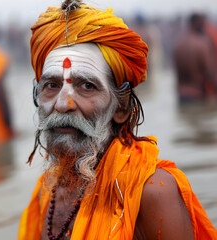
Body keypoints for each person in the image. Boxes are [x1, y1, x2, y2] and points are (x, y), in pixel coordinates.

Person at [18, 1, 217, 240]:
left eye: (86, 86)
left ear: (120, 107)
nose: (62, 104)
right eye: (51, 85)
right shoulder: (47, 189)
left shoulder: (150, 192)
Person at [173, 13, 217, 105]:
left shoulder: (178, 44)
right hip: (198, 96)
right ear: (196, 23)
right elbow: (209, 72)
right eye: (202, 23)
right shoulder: (202, 44)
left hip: (181, 97)